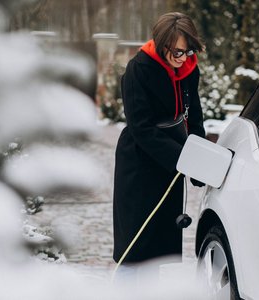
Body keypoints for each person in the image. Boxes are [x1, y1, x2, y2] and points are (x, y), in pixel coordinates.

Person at [112, 12, 206, 280]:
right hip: (140, 164)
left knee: (160, 251)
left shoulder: (189, 69)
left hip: (171, 162)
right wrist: (184, 159)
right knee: (136, 247)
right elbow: (141, 126)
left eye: (187, 52)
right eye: (176, 51)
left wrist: (200, 160)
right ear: (162, 43)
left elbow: (194, 117)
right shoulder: (138, 68)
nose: (182, 58)